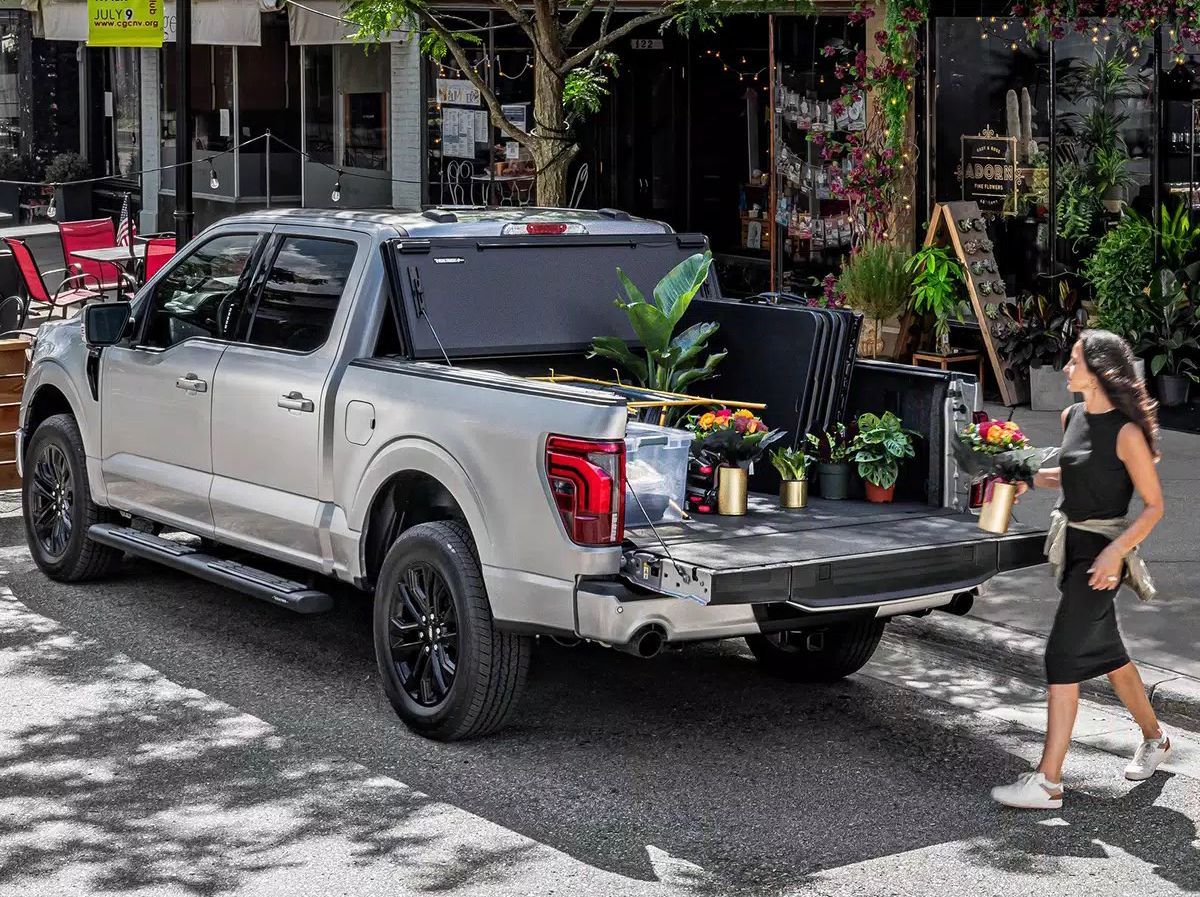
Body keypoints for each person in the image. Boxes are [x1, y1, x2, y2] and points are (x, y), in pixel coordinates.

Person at [991, 330, 1168, 810]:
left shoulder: (1128, 433)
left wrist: (1114, 554)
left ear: (1101, 371)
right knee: (1108, 653)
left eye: (1073, 362)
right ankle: (1155, 738)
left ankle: (1048, 782)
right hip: (1072, 550)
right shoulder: (1072, 416)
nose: (1066, 369)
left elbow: (1154, 506)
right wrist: (1021, 474)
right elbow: (1069, 475)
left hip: (1102, 559)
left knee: (1062, 657)